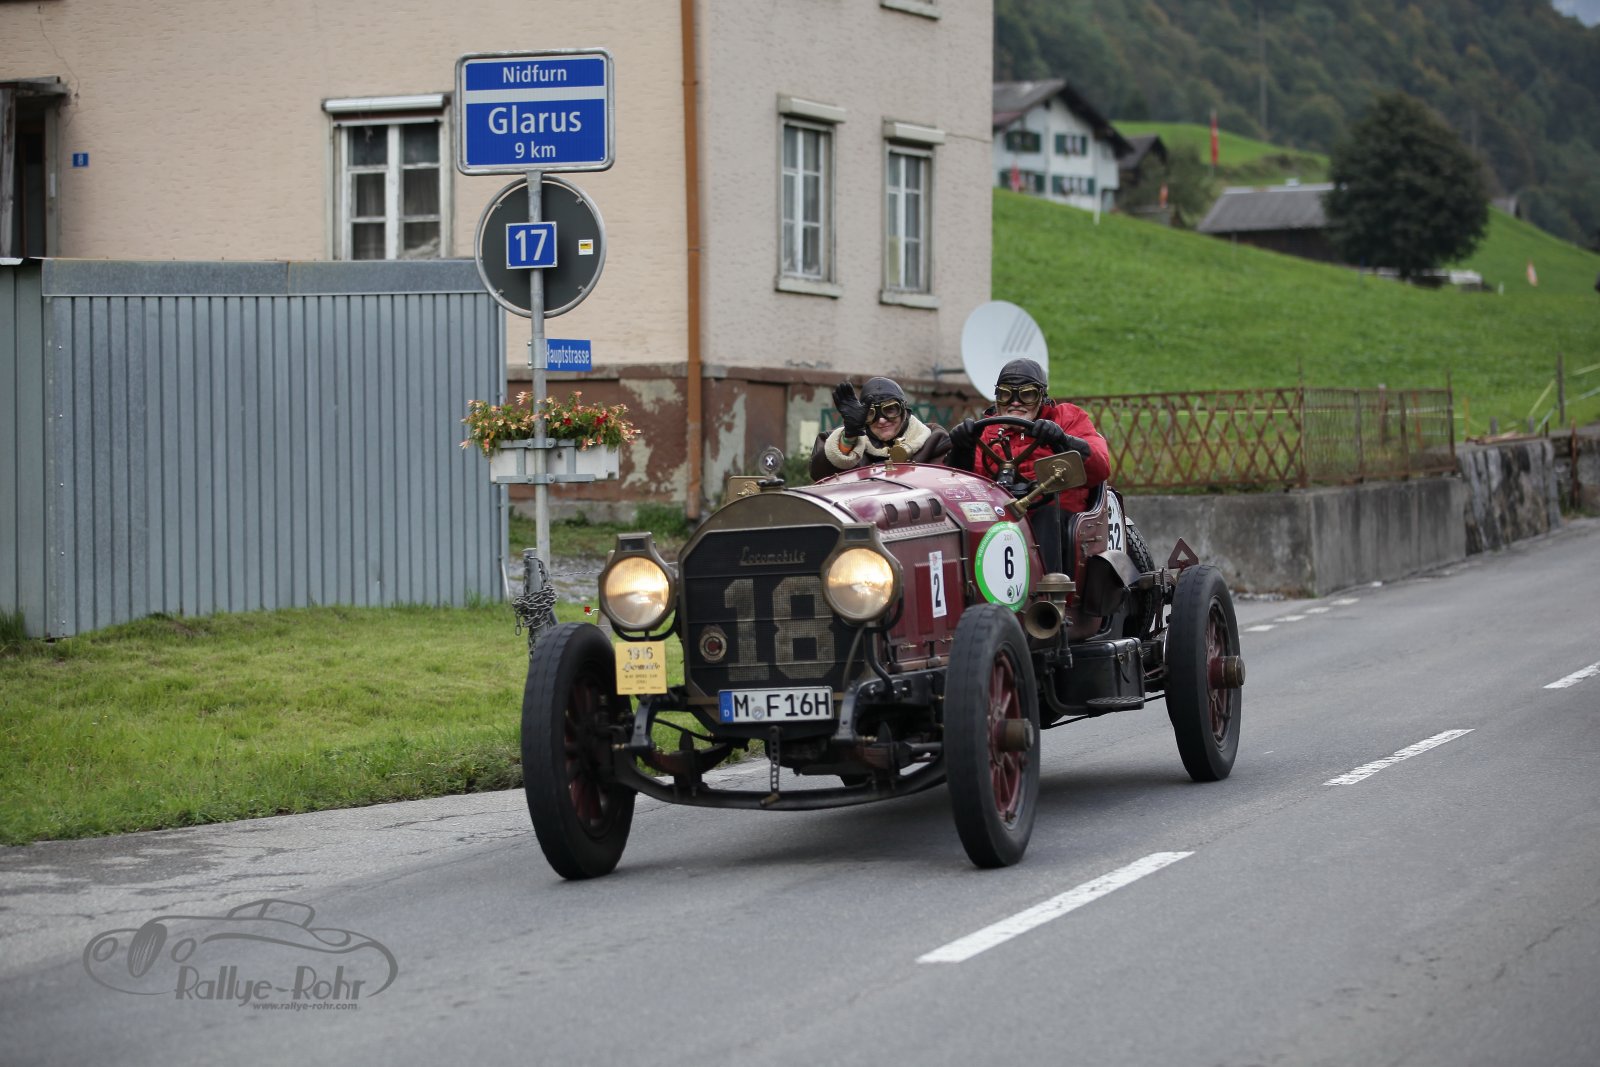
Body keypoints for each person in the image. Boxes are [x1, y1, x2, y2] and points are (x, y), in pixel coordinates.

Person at [945, 357, 1110, 572]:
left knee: (1047, 518)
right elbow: (964, 488)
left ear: (1042, 397)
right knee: (965, 523)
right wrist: (961, 449)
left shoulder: (1067, 418)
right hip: (997, 514)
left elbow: (1100, 467)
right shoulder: (985, 432)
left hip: (1055, 514)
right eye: (1006, 394)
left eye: (1027, 394)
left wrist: (1061, 440)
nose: (1015, 403)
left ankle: (1048, 589)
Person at [809, 376, 951, 480]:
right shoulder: (835, 441)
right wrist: (849, 438)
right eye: (871, 413)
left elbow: (947, 482)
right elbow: (820, 475)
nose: (881, 420)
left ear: (904, 410)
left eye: (890, 410)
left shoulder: (933, 440)